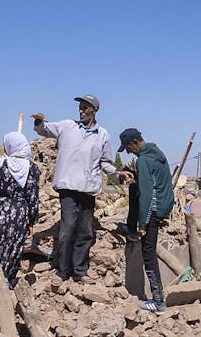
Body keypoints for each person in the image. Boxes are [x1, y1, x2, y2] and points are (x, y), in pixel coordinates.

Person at [32, 94, 132, 286]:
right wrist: (39, 121)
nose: (81, 110)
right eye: (80, 107)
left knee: (85, 231)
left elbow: (106, 162)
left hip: (88, 188)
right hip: (68, 187)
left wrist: (118, 174)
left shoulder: (102, 135)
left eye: (86, 107)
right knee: (68, 227)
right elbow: (45, 129)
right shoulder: (68, 126)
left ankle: (79, 271)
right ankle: (62, 271)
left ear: (94, 110)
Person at [118, 128, 175, 313]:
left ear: (135, 142)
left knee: (148, 252)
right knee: (135, 188)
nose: (127, 152)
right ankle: (130, 228)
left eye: (127, 147)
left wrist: (143, 225)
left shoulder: (143, 160)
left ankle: (158, 302)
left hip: (154, 209)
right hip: (164, 206)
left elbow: (148, 195)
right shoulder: (156, 153)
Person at [0, 131, 41, 289]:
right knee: (13, 251)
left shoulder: (0, 165)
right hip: (19, 214)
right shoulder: (31, 169)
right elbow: (32, 197)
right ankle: (6, 284)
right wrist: (31, 220)